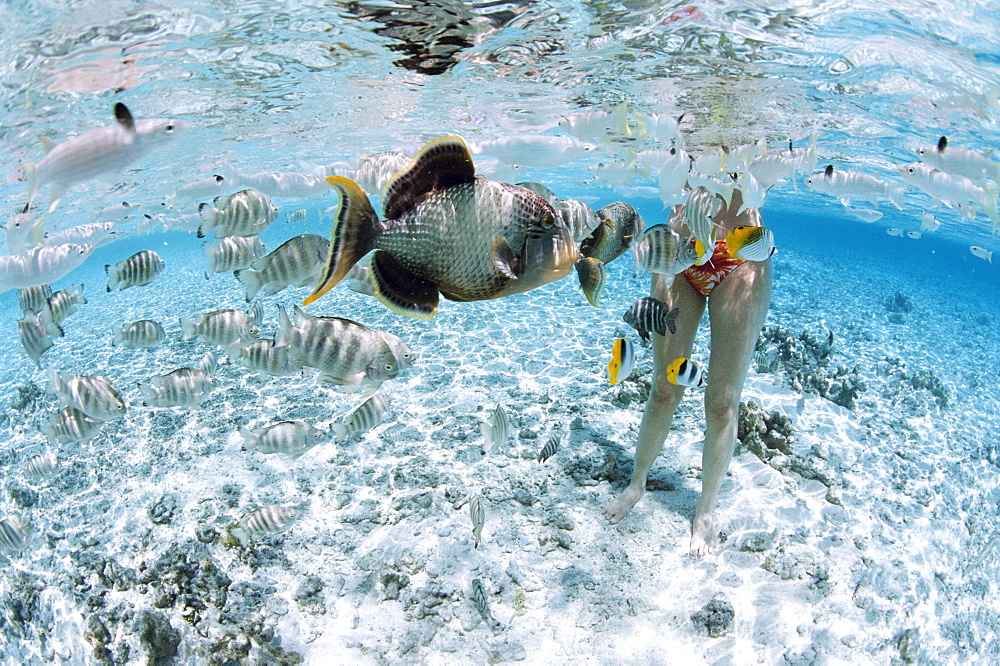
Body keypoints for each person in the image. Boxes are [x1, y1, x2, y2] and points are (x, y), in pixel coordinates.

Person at [603, 188, 772, 557]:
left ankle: (705, 511)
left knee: (723, 403)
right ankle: (637, 483)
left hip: (741, 259)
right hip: (678, 248)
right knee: (664, 388)